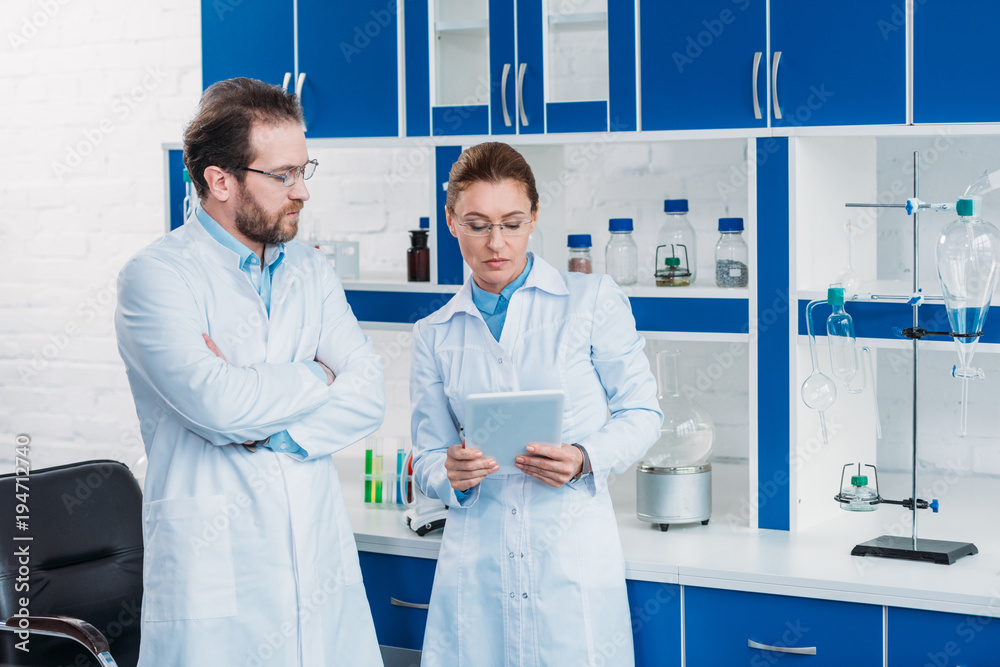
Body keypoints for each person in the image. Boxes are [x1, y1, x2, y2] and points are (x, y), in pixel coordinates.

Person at [115, 77, 385, 666]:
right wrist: (316, 376)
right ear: (220, 181)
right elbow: (217, 404)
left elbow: (369, 395)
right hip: (216, 574)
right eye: (283, 175)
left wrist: (273, 431)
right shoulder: (157, 278)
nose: (302, 192)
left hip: (316, 559)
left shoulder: (311, 272)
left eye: (304, 170)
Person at [410, 142, 663, 666]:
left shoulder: (591, 300)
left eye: (512, 223)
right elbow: (428, 456)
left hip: (569, 562)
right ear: (451, 221)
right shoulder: (433, 334)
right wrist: (447, 471)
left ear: (535, 218)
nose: (495, 242)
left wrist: (584, 457)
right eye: (477, 224)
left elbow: (643, 414)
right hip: (476, 571)